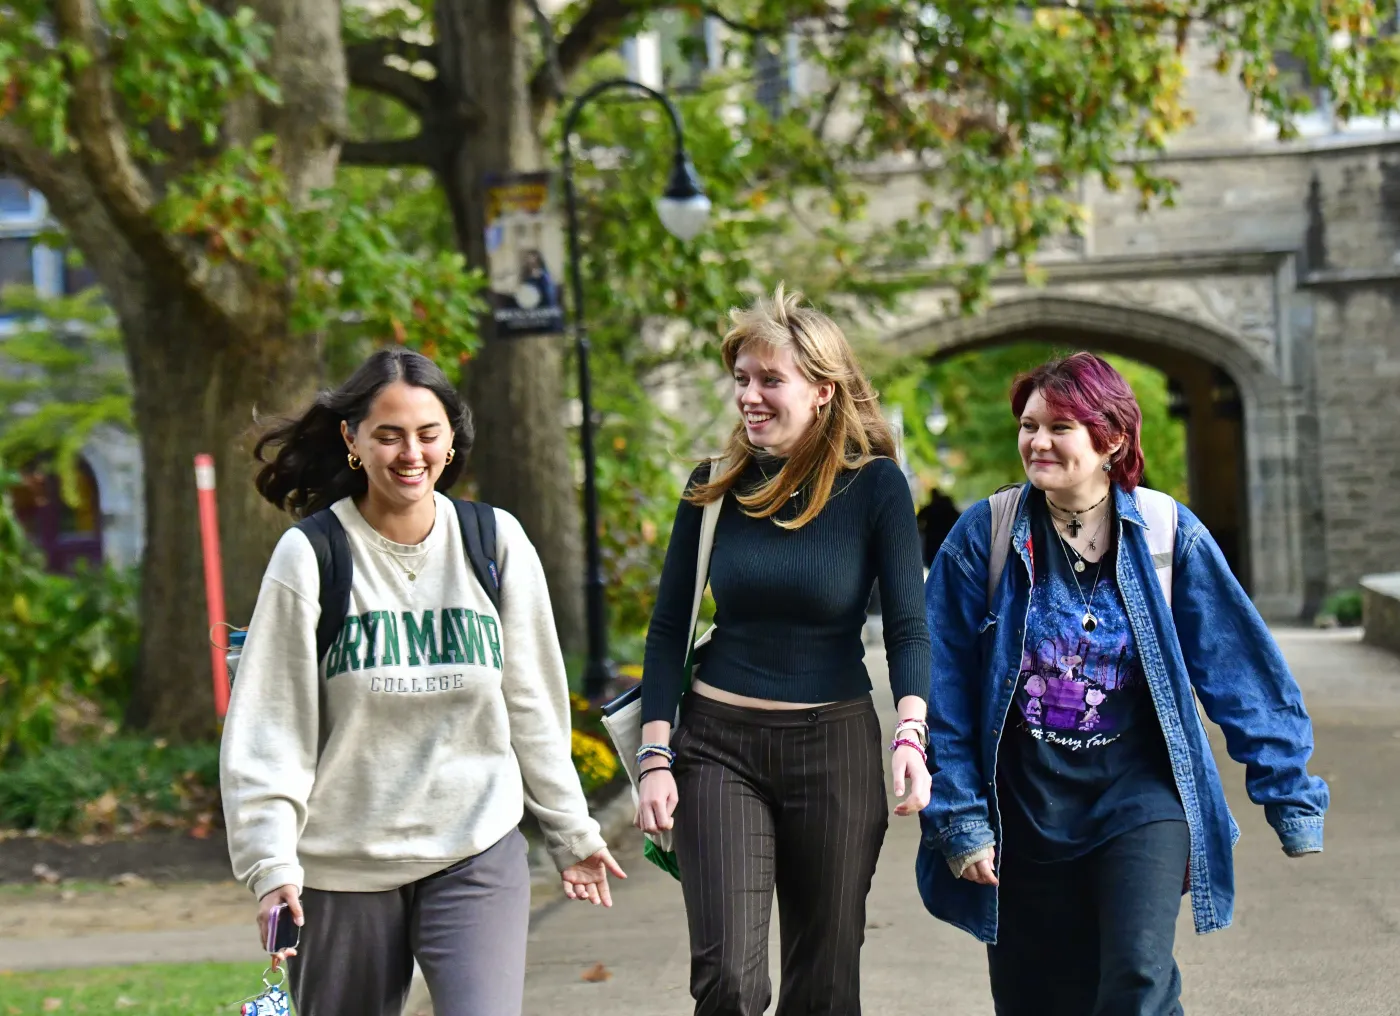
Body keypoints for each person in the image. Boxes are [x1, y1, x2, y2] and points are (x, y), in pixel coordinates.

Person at [917, 352, 1329, 1015]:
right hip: (1024, 808)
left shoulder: (1168, 534)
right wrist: (961, 817)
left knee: (1136, 978)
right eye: (1028, 425)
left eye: (1059, 427)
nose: (1036, 441)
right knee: (1038, 999)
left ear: (1110, 438)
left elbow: (1240, 668)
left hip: (1140, 798)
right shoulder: (985, 536)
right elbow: (946, 693)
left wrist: (1290, 793)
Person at [220, 348, 624, 1016]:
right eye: (389, 434)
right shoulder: (313, 555)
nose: (412, 453)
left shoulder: (494, 542)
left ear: (451, 439)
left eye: (428, 434)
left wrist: (571, 832)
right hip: (345, 866)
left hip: (473, 846)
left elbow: (533, 704)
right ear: (352, 439)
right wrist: (271, 866)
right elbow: (272, 728)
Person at [636, 285, 933, 1016]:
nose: (750, 397)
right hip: (718, 749)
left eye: (771, 380)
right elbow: (669, 625)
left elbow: (907, 625)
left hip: (832, 749)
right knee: (730, 984)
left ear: (823, 391)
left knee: (824, 985)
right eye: (742, 379)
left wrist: (911, 731)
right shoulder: (713, 485)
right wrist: (653, 756)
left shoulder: (876, 488)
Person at [916, 487, 961, 568]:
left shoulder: (930, 508)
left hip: (934, 538)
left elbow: (918, 520)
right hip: (946, 538)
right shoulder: (949, 509)